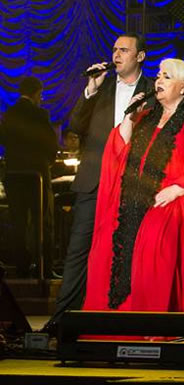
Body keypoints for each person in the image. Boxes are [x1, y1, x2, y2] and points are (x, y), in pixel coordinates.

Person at [81, 58, 184, 312]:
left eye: (166, 77)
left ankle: (148, 318)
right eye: (158, 75)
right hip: (136, 194)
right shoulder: (145, 116)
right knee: (106, 231)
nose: (158, 80)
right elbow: (119, 150)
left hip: (181, 197)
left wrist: (176, 189)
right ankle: (110, 317)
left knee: (154, 230)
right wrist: (129, 116)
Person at [42, 33, 154, 333]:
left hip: (132, 183)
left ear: (139, 56)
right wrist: (90, 90)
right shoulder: (102, 87)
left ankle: (122, 319)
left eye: (124, 50)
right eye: (115, 50)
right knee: (79, 248)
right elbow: (76, 125)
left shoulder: (153, 89)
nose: (116, 55)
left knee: (126, 250)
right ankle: (63, 320)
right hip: (95, 180)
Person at [0, 76, 58, 277]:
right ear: (36, 93)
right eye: (40, 94)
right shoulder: (40, 114)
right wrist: (48, 162)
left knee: (18, 222)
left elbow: (4, 139)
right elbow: (50, 142)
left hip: (14, 175)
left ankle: (22, 267)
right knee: (43, 221)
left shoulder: (9, 114)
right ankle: (45, 267)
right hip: (37, 175)